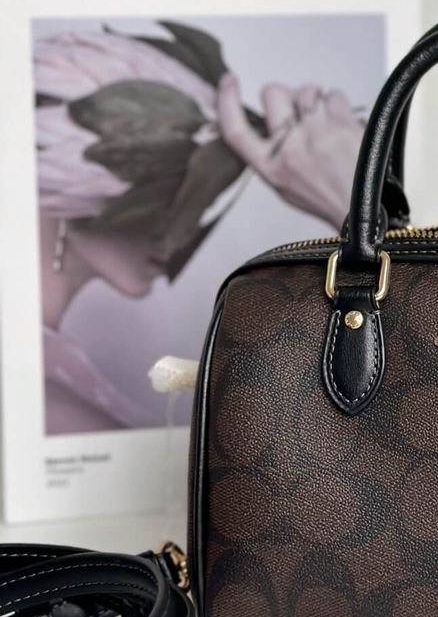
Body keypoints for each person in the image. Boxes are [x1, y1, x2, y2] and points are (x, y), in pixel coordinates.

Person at [35, 23, 364, 434]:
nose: (184, 237)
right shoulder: (54, 407)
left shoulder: (54, 378)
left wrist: (350, 204)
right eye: (177, 193)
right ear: (75, 172)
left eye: (203, 200)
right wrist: (349, 204)